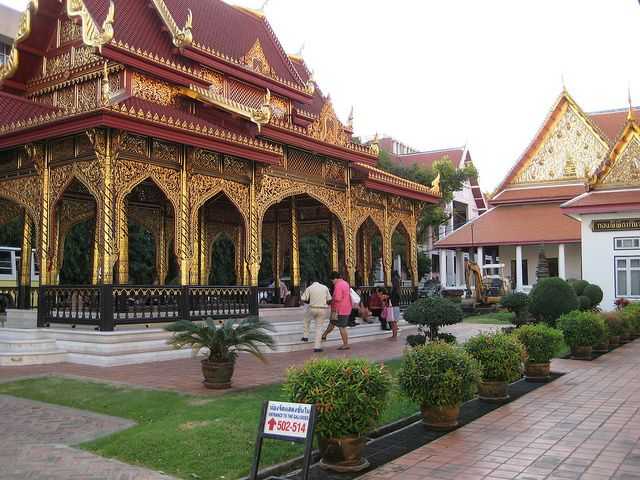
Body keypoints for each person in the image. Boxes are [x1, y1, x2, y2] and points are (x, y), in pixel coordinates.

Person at [321, 271, 352, 350]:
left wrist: (330, 301)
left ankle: (345, 345)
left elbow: (337, 298)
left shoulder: (338, 285)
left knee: (342, 327)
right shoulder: (345, 283)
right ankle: (324, 335)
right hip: (345, 308)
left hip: (340, 310)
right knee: (332, 323)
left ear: (334, 278)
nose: (332, 282)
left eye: (332, 280)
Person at [300, 278, 332, 352]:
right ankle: (317, 347)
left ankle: (305, 336)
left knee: (306, 320)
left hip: (312, 308)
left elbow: (304, 299)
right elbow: (329, 299)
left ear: (311, 282)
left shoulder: (309, 288)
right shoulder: (325, 287)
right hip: (322, 309)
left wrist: (311, 300)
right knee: (319, 328)